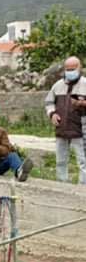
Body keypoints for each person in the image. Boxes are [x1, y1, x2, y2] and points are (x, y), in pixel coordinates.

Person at [44, 56, 86, 185]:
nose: (70, 72)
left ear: (80, 68)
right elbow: (49, 103)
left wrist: (83, 104)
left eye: (73, 69)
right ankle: (62, 184)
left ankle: (83, 186)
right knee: (60, 160)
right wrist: (52, 114)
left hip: (80, 128)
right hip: (61, 128)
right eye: (68, 69)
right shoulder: (57, 86)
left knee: (82, 160)